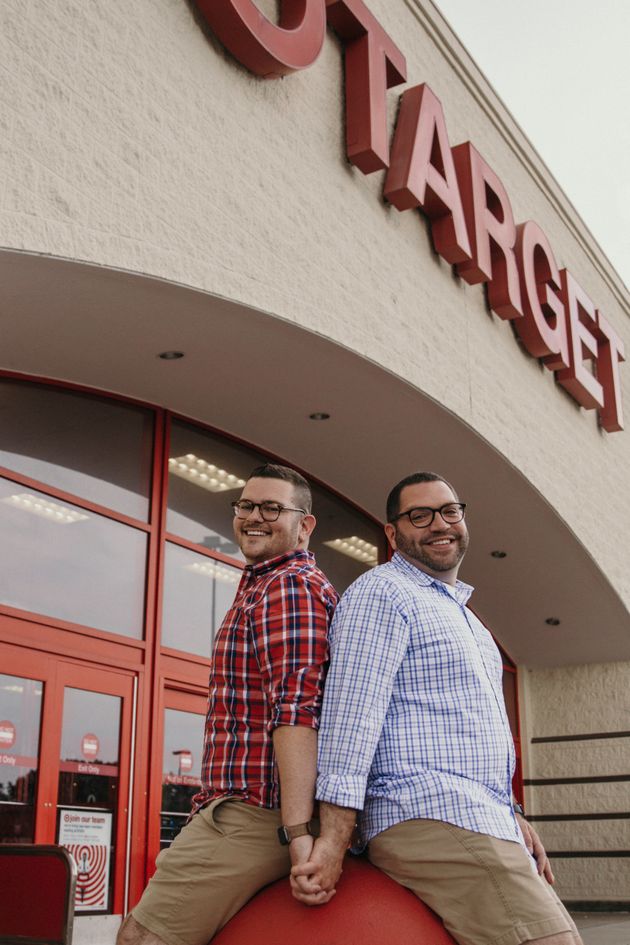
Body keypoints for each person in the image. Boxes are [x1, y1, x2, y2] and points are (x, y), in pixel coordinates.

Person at [292, 472, 583, 945]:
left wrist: (511, 815)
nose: (439, 524)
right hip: (424, 807)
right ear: (392, 532)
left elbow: (468, 732)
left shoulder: (468, 619)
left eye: (450, 512)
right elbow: (351, 720)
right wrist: (333, 839)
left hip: (475, 813)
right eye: (419, 516)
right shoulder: (382, 592)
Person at [118, 464, 338, 945]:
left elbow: (298, 711)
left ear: (305, 524)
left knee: (141, 938)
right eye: (246, 505)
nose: (254, 517)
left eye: (272, 508)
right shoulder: (262, 584)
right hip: (243, 810)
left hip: (255, 814)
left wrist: (297, 831)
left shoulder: (289, 588)